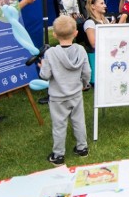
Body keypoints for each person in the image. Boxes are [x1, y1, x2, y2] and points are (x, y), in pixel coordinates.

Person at [38, 16, 91, 166]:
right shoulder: (80, 50)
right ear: (75, 33)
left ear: (54, 34)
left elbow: (45, 75)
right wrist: (84, 84)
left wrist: (42, 67)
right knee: (79, 121)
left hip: (57, 97)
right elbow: (87, 72)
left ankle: (58, 155)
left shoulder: (50, 54)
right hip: (76, 94)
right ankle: (82, 148)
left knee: (59, 125)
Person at [82, 0, 112, 84]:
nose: (105, 6)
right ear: (93, 6)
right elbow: (94, 44)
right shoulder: (89, 23)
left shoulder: (106, 20)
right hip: (96, 56)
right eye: (102, 3)